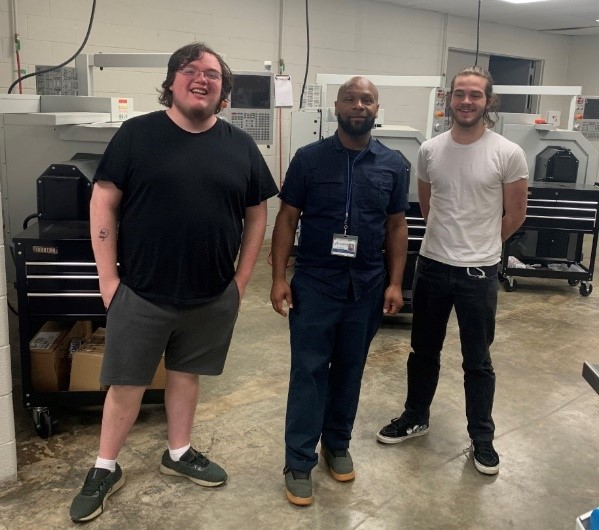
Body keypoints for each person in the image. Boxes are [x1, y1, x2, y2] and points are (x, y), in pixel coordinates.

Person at [69, 42, 279, 522]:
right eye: (191, 70)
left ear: (223, 91)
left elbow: (256, 213)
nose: (202, 79)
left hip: (210, 295)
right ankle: (105, 467)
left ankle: (178, 453)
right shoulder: (137, 134)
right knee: (127, 383)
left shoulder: (240, 145)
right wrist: (108, 279)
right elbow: (102, 201)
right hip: (142, 291)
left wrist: (241, 280)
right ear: (172, 80)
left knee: (186, 375)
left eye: (213, 74)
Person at [377, 66, 529, 475]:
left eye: (475, 95)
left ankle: (481, 436)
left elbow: (515, 214)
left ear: (488, 102)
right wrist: (451, 240)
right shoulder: (430, 150)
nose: (466, 101)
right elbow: (429, 207)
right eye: (460, 94)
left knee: (477, 360)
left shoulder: (508, 153)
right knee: (423, 351)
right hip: (432, 267)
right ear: (449, 99)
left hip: (478, 274)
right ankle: (415, 415)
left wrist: (480, 244)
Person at [271, 76, 409, 506]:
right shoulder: (308, 160)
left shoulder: (394, 164)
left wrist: (395, 282)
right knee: (309, 372)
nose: (358, 105)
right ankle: (298, 462)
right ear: (336, 105)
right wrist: (277, 277)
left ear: (376, 108)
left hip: (366, 286)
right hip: (315, 283)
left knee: (351, 369)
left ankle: (337, 444)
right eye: (350, 98)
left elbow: (396, 226)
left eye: (366, 99)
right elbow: (287, 218)